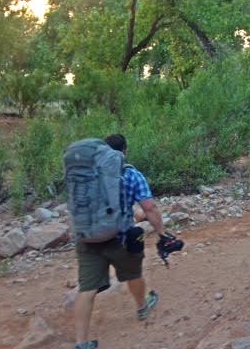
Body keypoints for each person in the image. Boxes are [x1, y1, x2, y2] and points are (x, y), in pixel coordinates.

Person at [74, 134, 165, 349]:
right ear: (125, 151)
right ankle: (143, 307)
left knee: (86, 289)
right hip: (118, 239)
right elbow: (149, 207)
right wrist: (161, 233)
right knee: (133, 273)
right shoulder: (131, 174)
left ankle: (81, 343)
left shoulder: (88, 173)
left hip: (88, 238)